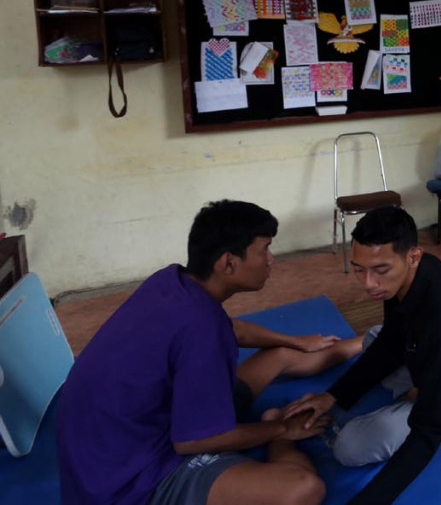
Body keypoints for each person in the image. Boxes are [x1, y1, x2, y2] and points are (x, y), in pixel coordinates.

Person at [57, 200, 363, 505]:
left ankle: (366, 343)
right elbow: (192, 441)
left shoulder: (172, 282)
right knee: (304, 490)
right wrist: (281, 429)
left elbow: (234, 329)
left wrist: (297, 341)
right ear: (228, 263)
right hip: (129, 477)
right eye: (264, 250)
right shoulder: (202, 331)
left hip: (121, 431)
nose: (271, 260)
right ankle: (282, 442)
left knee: (280, 353)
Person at [283, 207, 441, 505]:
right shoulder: (410, 276)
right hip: (434, 363)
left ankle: (411, 396)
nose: (368, 283)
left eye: (380, 270)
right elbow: (391, 339)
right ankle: (409, 392)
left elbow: (428, 429)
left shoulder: (440, 322)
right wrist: (333, 395)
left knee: (349, 448)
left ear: (413, 256)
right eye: (359, 269)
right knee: (376, 338)